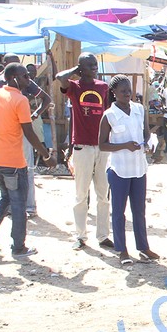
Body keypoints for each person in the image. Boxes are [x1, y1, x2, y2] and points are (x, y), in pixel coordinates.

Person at [0, 63, 55, 256]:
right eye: (24, 77)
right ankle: (18, 247)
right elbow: (28, 132)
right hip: (13, 161)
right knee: (19, 204)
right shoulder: (20, 100)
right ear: (13, 77)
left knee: (5, 196)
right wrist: (46, 156)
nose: (28, 80)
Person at [99, 76, 158, 265]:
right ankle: (122, 250)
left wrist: (149, 143)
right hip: (119, 170)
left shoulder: (139, 110)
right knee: (118, 212)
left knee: (139, 210)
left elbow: (146, 133)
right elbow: (102, 145)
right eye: (123, 91)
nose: (127, 94)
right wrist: (124, 145)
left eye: (129, 91)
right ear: (114, 92)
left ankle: (143, 247)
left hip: (139, 168)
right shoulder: (109, 115)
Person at [57, 54, 111, 250]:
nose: (94, 67)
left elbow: (107, 115)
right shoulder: (74, 87)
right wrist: (75, 71)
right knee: (81, 195)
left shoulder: (103, 87)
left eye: (95, 64)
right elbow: (59, 77)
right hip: (82, 146)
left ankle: (103, 235)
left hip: (102, 146)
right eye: (89, 65)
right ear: (80, 67)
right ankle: (80, 236)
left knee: (103, 194)